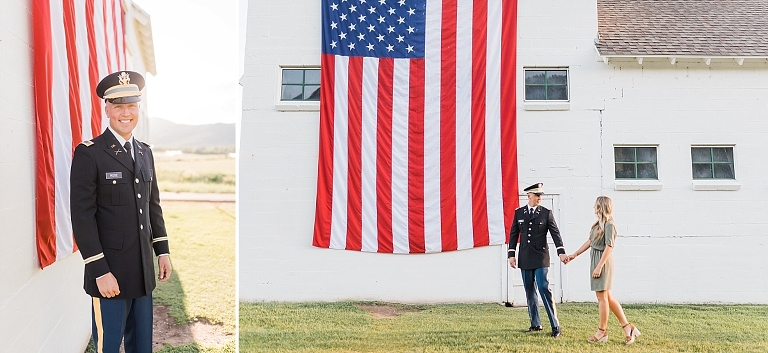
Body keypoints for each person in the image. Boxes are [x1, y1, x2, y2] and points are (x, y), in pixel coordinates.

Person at [70, 70, 172, 353]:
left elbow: (153, 205)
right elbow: (82, 217)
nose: (125, 113)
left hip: (142, 270)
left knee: (142, 346)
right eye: (118, 106)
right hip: (110, 273)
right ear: (107, 109)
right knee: (109, 345)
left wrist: (162, 251)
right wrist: (99, 270)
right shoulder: (90, 153)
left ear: (138, 108)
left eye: (131, 106)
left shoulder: (144, 152)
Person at [566, 196, 640, 344]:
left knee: (602, 298)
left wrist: (599, 266)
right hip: (596, 261)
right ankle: (628, 328)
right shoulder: (598, 224)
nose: (594, 208)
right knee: (608, 298)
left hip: (603, 262)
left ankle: (602, 331)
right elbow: (590, 242)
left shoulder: (610, 225)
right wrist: (574, 254)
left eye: (595, 205)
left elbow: (609, 247)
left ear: (601, 207)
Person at [508, 183, 569, 338]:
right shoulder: (519, 213)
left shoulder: (546, 213)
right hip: (525, 257)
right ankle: (535, 324)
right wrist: (511, 254)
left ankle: (555, 326)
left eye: (541, 195)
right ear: (529, 196)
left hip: (541, 257)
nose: (540, 198)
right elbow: (514, 234)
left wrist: (561, 252)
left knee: (543, 288)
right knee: (529, 291)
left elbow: (555, 233)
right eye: (537, 195)